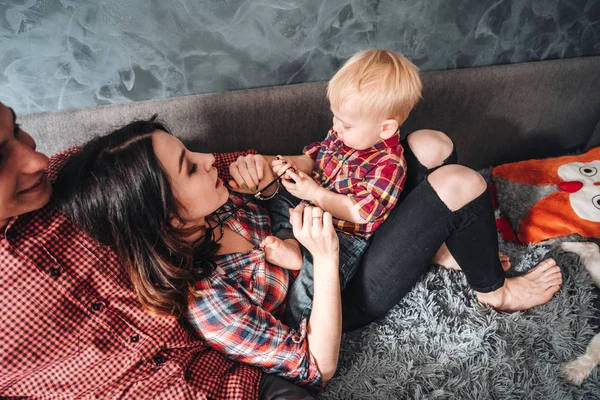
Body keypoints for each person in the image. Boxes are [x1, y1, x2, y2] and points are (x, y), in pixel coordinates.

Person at [55, 106, 563, 388]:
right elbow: (317, 365)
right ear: (164, 217)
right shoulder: (208, 301)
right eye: (191, 165)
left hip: (340, 234)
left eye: (190, 151)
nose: (211, 157)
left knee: (431, 145)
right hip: (342, 291)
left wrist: (268, 178)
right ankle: (494, 291)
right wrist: (321, 259)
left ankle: (434, 248)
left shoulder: (217, 204)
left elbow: (298, 179)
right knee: (457, 182)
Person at [0, 102, 313, 400]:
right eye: (0, 158)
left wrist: (286, 168)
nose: (37, 160)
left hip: (239, 382)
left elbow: (212, 172)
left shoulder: (75, 177)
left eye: (16, 129)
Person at [234, 48, 419, 326]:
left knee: (316, 277)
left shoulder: (389, 164)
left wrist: (315, 194)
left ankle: (296, 325)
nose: (336, 127)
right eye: (335, 118)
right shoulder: (344, 133)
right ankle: (292, 244)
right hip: (310, 208)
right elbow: (316, 158)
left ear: (385, 129)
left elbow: (361, 212)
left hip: (343, 235)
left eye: (345, 123)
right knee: (277, 200)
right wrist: (292, 168)